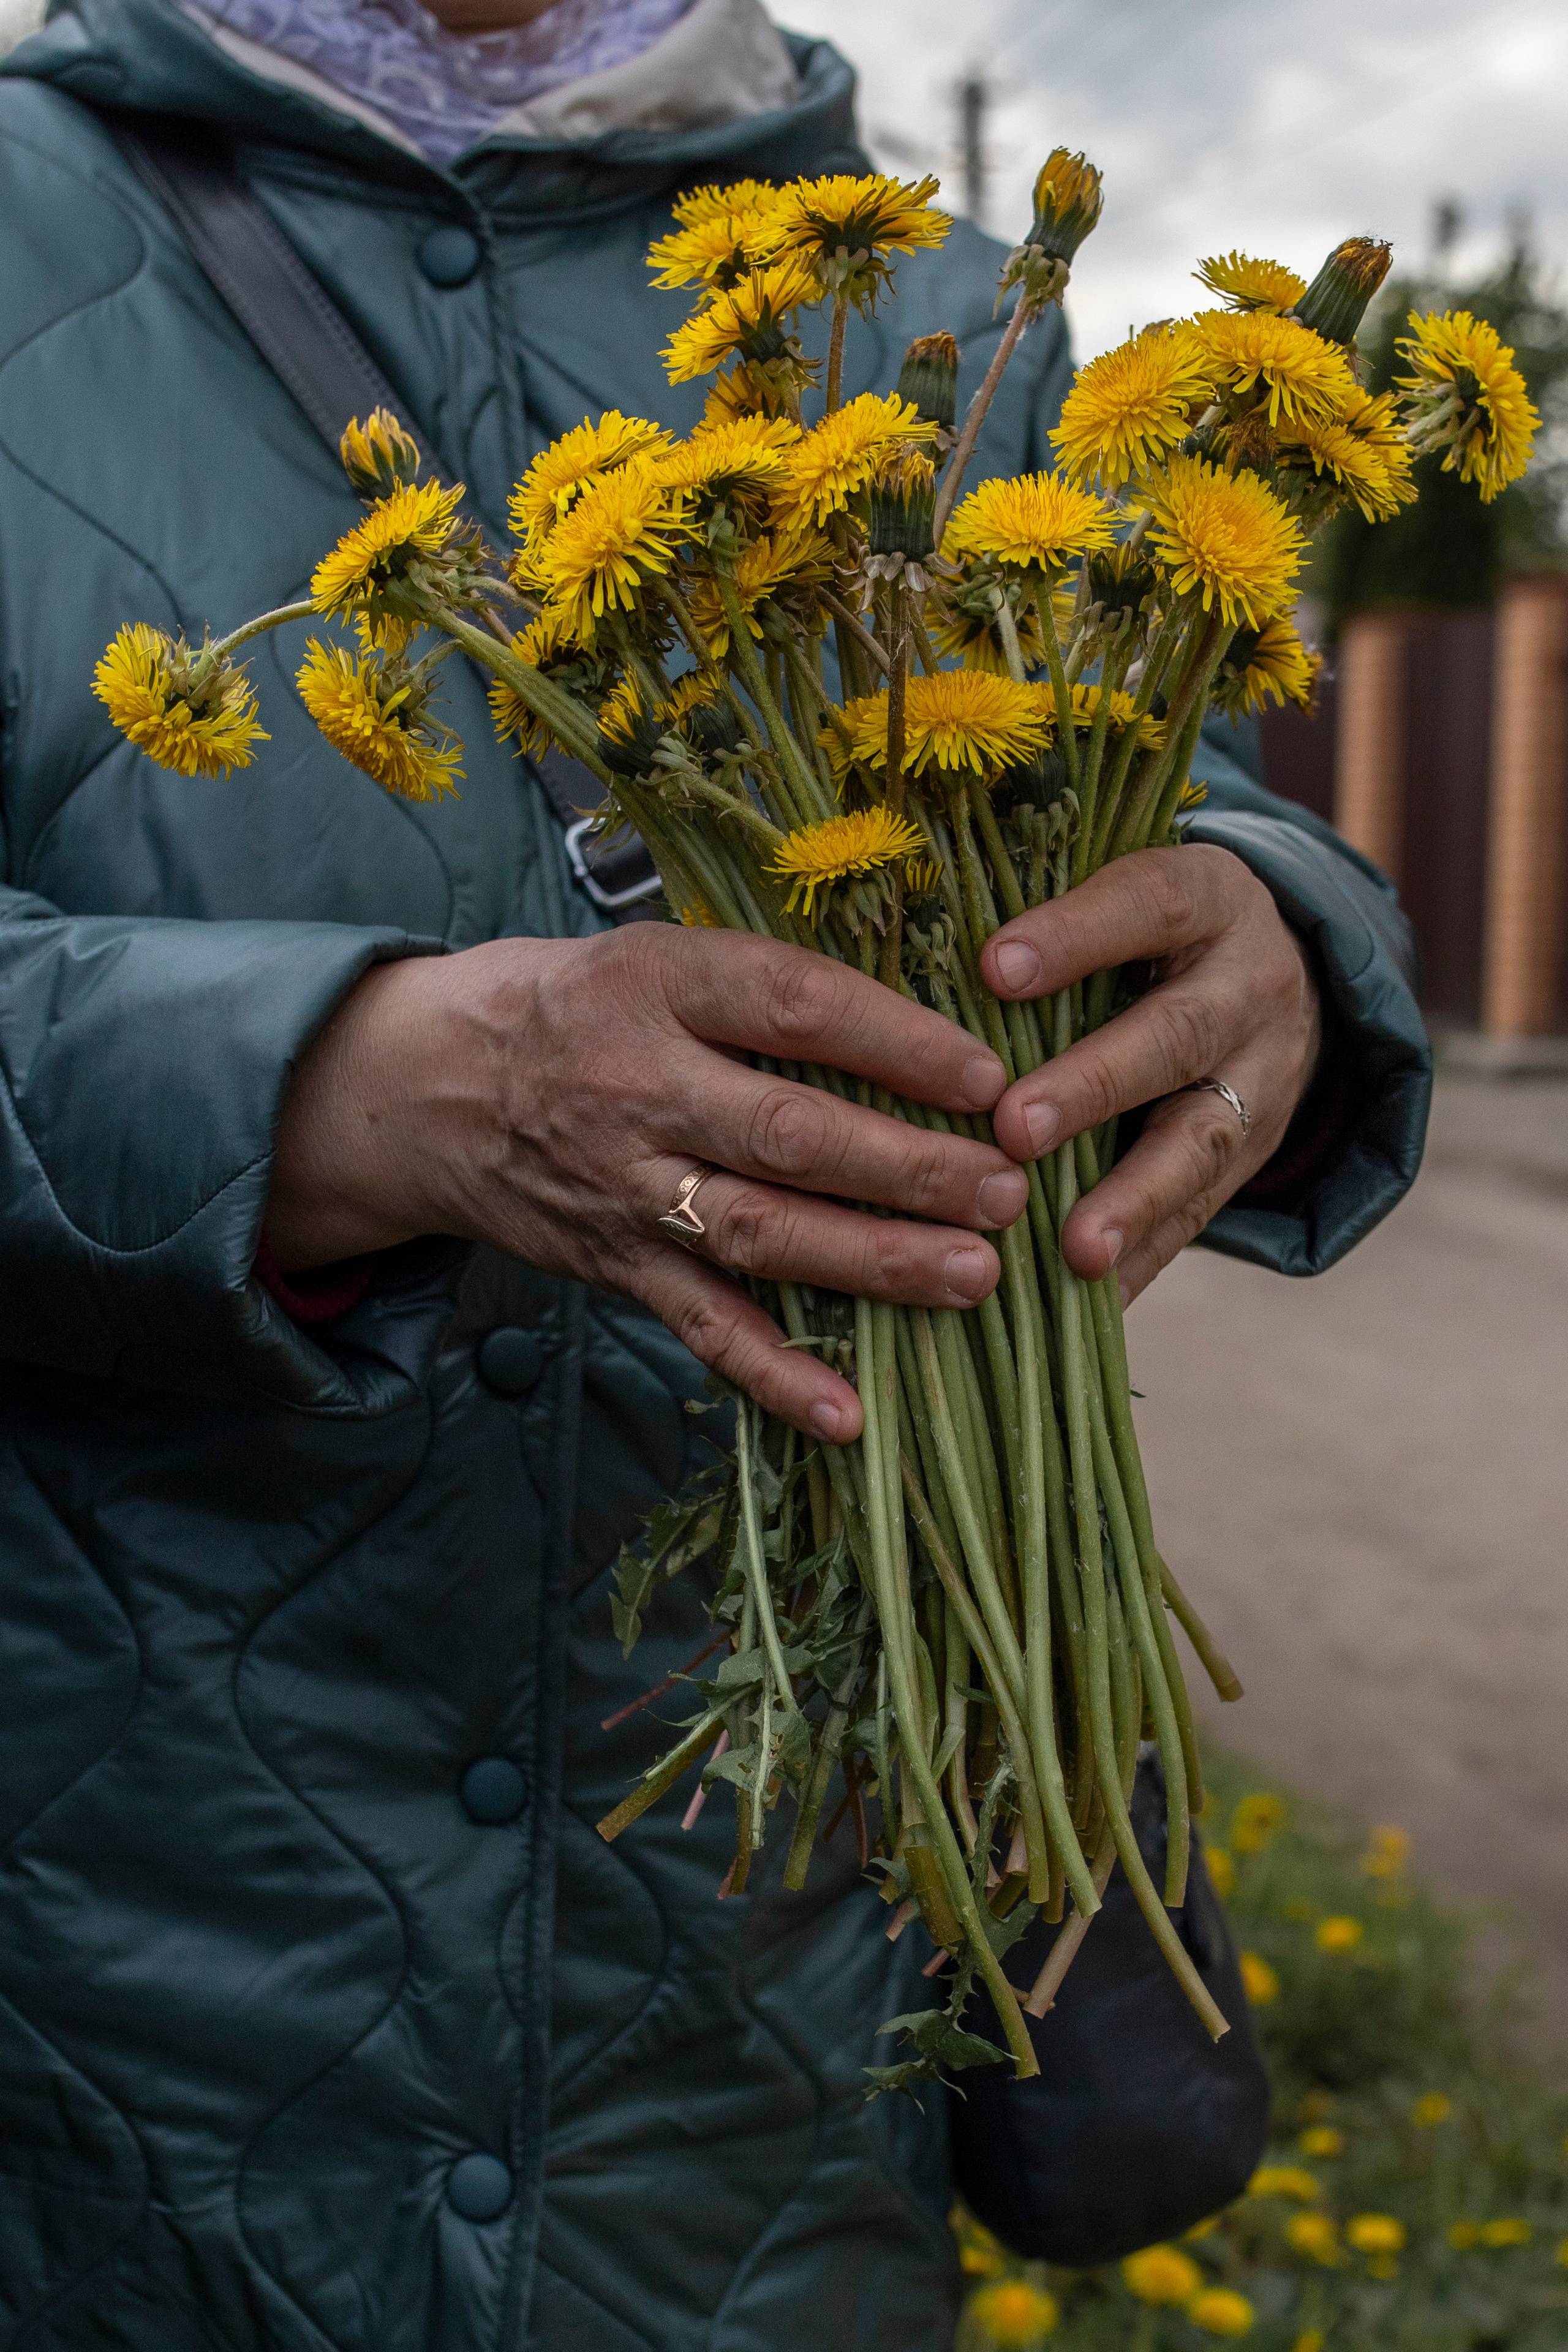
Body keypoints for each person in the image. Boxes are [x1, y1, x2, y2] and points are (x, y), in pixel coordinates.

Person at [0, 0, 1430, 2343]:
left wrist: (1286, 935)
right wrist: (333, 1088)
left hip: (773, 2029)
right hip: (106, 2014)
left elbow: (1171, 771)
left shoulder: (969, 324)